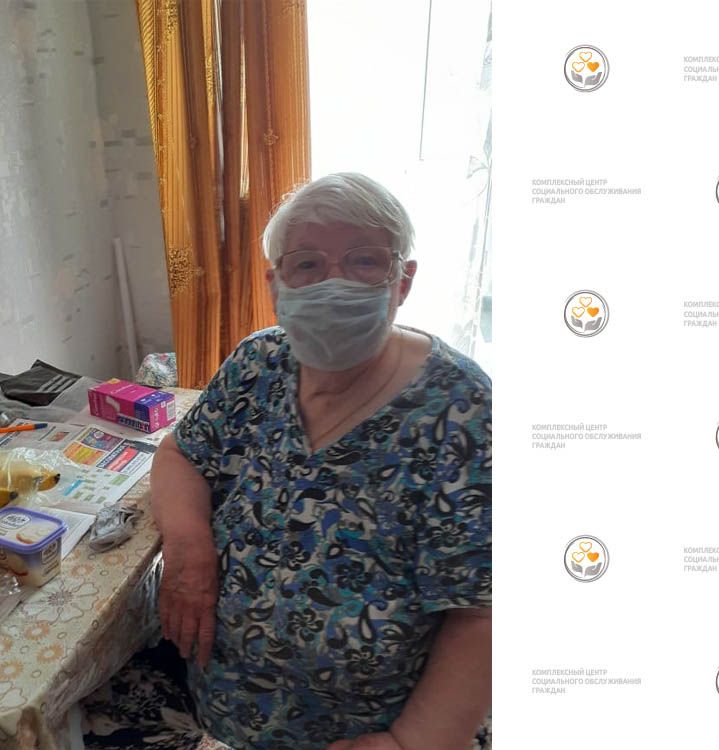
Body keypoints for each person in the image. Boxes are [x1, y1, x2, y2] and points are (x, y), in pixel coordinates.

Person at [151, 172, 492, 750]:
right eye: (306, 264)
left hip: (368, 733)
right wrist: (189, 547)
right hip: (219, 714)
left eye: (364, 261)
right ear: (275, 283)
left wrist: (412, 741)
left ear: (403, 281)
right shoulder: (258, 362)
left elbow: (483, 610)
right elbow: (181, 452)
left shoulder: (462, 409)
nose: (334, 283)